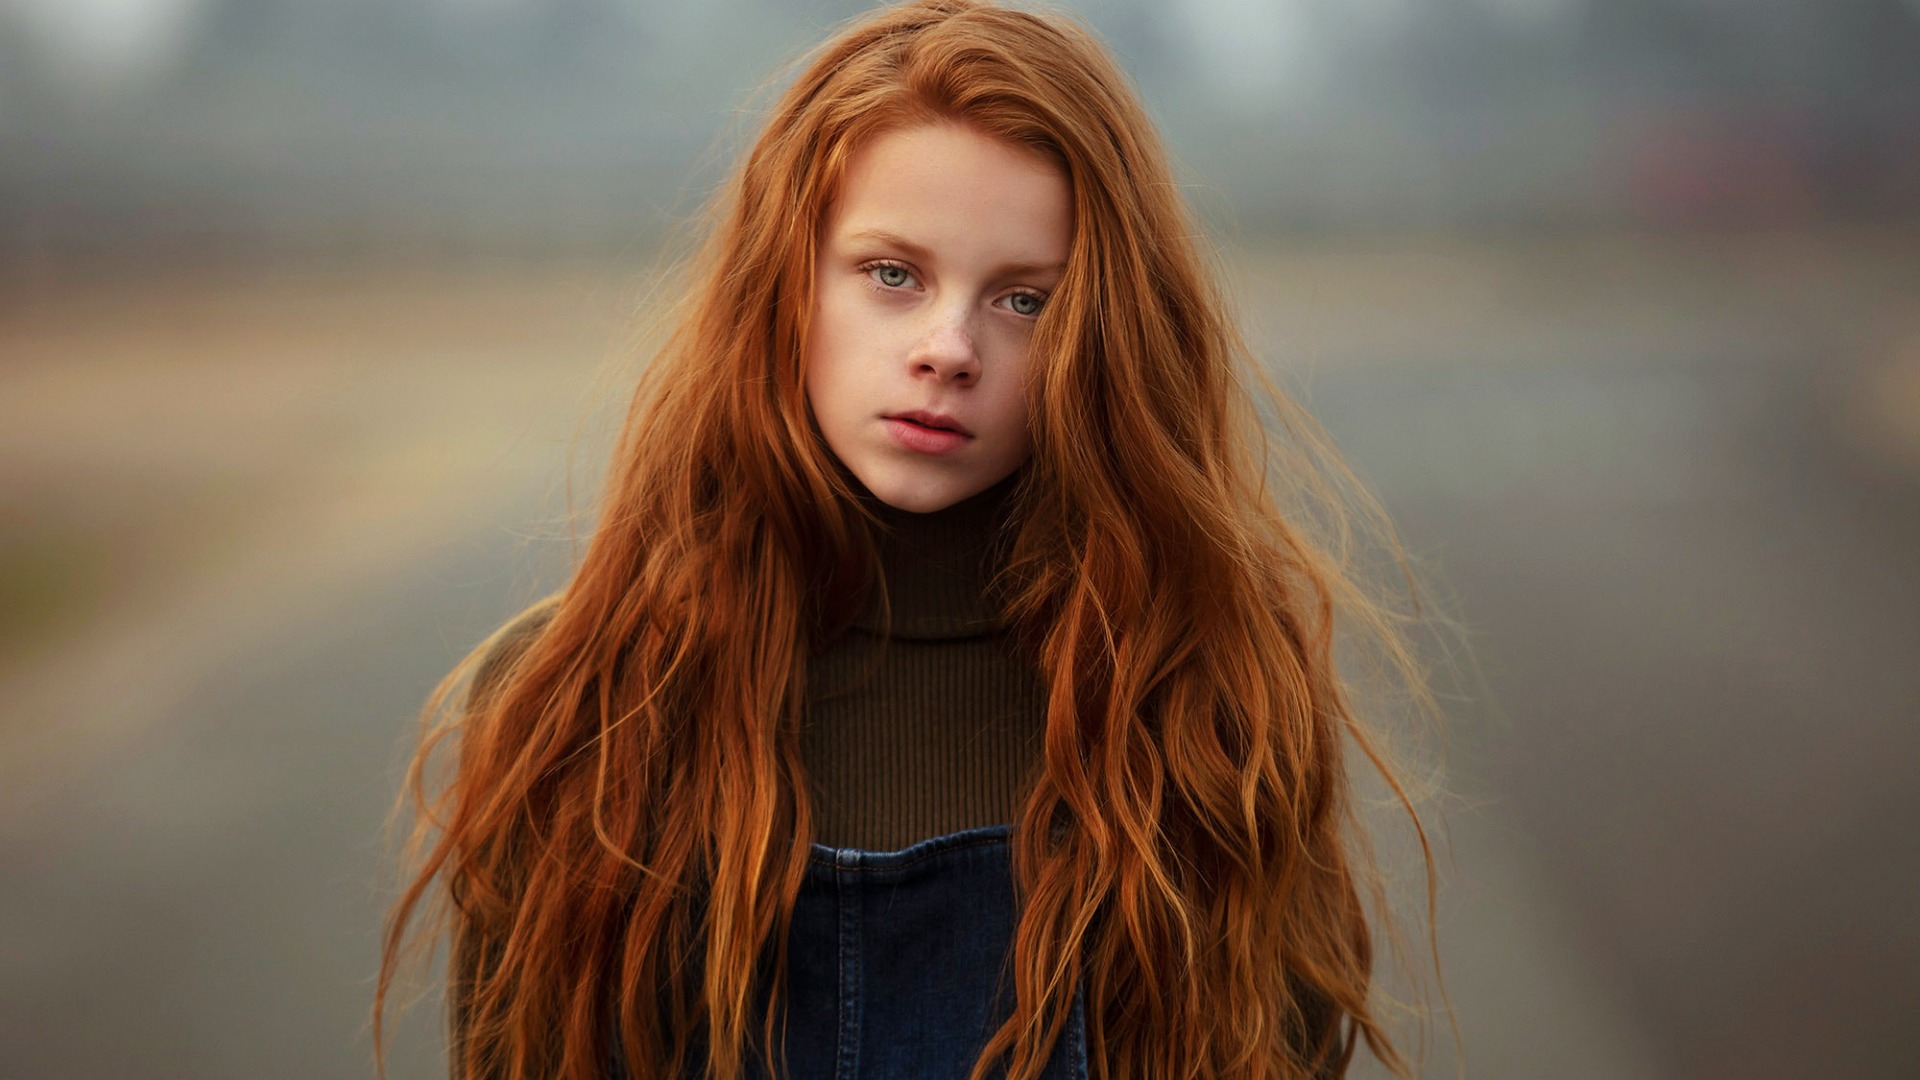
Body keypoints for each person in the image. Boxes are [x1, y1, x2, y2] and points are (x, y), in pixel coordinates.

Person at [378, 2, 1448, 1078]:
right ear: (783, 279)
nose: (949, 349)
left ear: (1106, 334)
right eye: (893, 274)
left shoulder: (1201, 700)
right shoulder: (584, 696)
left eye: (1024, 299)